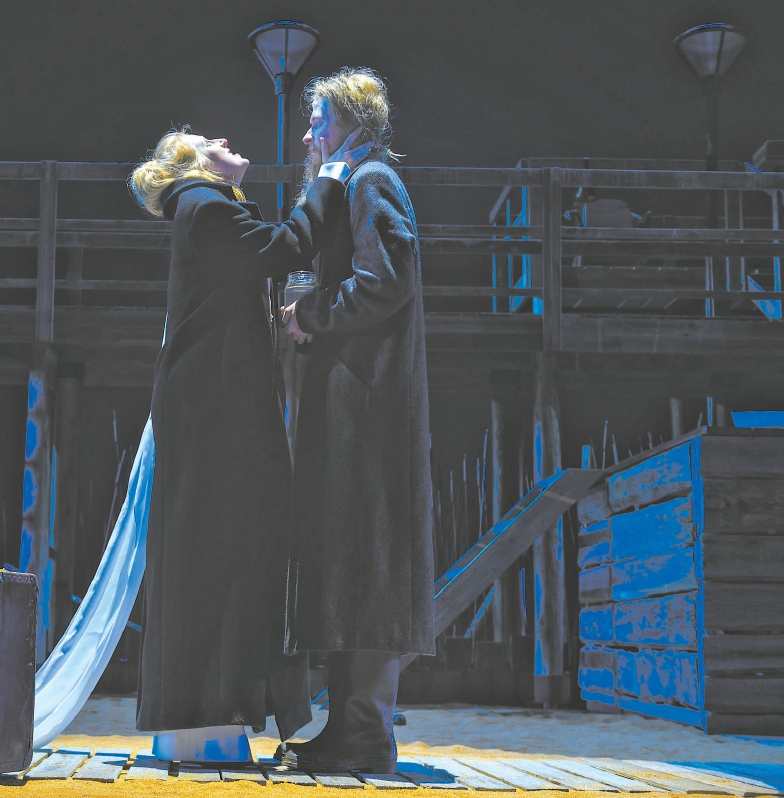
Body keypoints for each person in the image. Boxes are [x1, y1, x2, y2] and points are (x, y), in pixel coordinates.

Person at [128, 127, 367, 761]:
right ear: (192, 161)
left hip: (216, 400)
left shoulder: (206, 208)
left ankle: (210, 716)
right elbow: (283, 248)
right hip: (213, 404)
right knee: (217, 546)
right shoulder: (204, 207)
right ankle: (205, 719)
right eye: (207, 137)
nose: (224, 136)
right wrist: (329, 180)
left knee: (220, 544)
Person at [279, 67, 436, 774]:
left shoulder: (372, 180)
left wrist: (312, 313)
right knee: (349, 558)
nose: (308, 135)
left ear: (351, 123)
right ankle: (346, 728)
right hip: (354, 399)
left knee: (369, 558)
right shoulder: (357, 183)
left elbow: (387, 280)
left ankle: (367, 737)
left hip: (370, 406)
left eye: (318, 121)